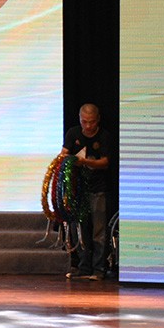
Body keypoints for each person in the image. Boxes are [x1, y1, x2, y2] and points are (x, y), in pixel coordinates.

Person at [60, 103, 114, 280]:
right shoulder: (73, 133)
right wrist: (64, 159)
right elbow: (64, 153)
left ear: (98, 120)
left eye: (91, 122)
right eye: (84, 122)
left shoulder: (104, 136)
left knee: (98, 232)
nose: (88, 126)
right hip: (78, 190)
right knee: (79, 230)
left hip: (98, 189)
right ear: (80, 119)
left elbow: (105, 162)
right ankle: (83, 267)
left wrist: (84, 162)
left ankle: (99, 269)